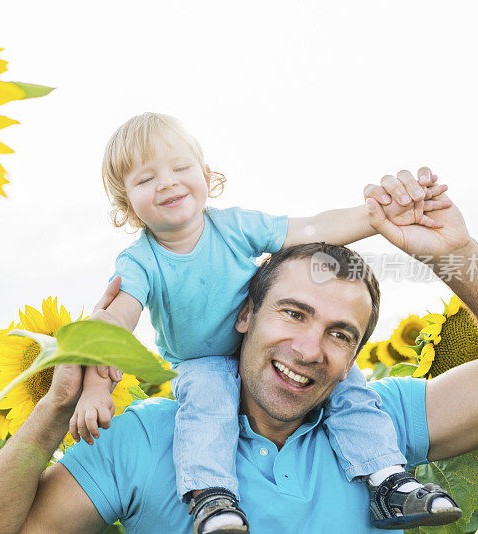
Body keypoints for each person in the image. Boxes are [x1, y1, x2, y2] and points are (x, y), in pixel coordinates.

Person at [0, 172, 478, 533]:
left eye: (339, 333)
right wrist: (57, 405)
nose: (309, 349)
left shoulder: (381, 420)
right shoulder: (145, 440)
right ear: (246, 315)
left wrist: (455, 252)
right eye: (294, 313)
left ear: (356, 354)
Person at [69, 112, 456, 532]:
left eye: (180, 167)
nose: (166, 182)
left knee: (352, 392)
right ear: (127, 203)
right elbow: (114, 324)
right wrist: (95, 387)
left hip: (262, 342)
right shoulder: (141, 261)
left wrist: (380, 217)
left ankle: (387, 483)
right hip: (202, 361)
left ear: (205, 174)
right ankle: (212, 500)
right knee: (207, 408)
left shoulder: (233, 227)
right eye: (145, 179)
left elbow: (312, 227)